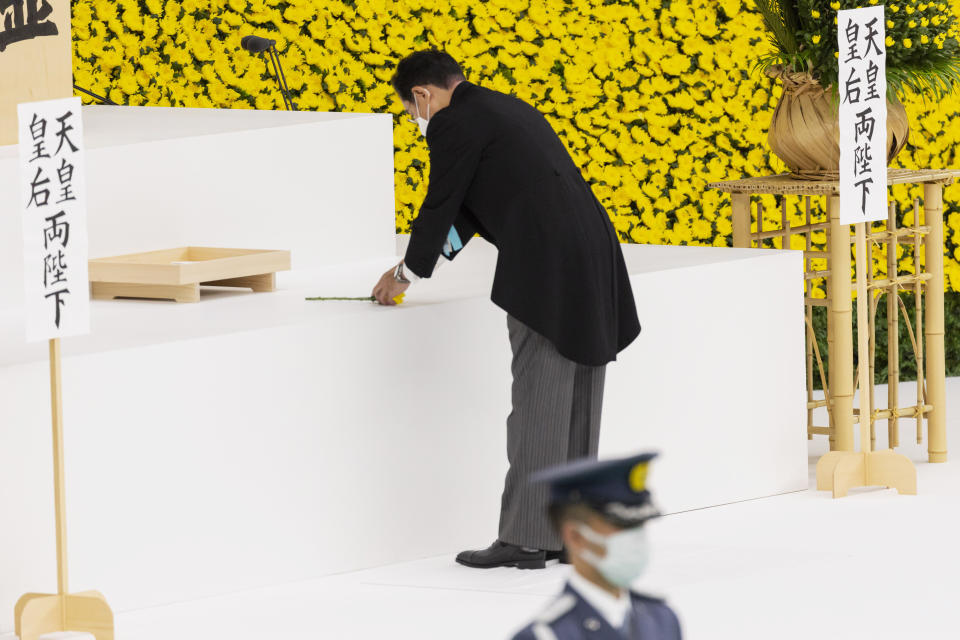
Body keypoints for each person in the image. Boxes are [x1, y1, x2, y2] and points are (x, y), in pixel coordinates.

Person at [371, 50, 641, 569]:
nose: (415, 121)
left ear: (423, 96)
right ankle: (567, 534)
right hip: (592, 250)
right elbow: (468, 213)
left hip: (547, 265)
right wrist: (420, 267)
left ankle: (525, 538)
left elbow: (440, 203)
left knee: (540, 395)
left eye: (410, 111)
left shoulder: (453, 123)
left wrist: (403, 275)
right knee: (579, 393)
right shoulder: (501, 109)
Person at [511, 453, 682, 640]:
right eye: (622, 526)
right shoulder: (547, 636)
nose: (636, 538)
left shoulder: (662, 619)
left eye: (638, 525)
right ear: (575, 537)